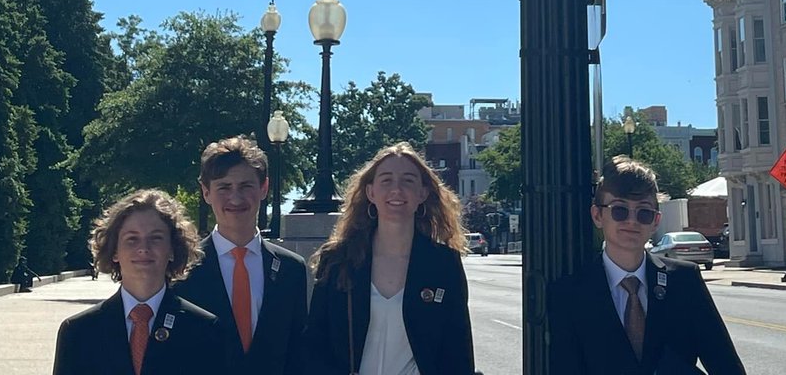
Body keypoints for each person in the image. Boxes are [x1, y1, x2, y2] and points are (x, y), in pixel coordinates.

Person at [547, 157, 746, 375]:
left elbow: (726, 365)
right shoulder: (569, 294)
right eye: (619, 210)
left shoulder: (684, 281)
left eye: (644, 213)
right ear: (597, 215)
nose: (632, 221)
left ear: (655, 221)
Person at [305, 142, 475, 375]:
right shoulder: (338, 259)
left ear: (422, 193)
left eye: (408, 180)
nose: (396, 189)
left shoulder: (443, 264)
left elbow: (458, 353)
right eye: (386, 180)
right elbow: (315, 345)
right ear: (370, 192)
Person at [52, 188, 227, 375]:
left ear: (172, 249)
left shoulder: (204, 329)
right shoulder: (79, 332)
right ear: (115, 251)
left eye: (156, 238)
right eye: (132, 239)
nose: (143, 248)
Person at [175, 135, 307, 375]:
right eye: (224, 187)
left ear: (264, 188)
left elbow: (299, 354)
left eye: (246, 186)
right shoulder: (182, 269)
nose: (235, 198)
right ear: (206, 192)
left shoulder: (292, 270)